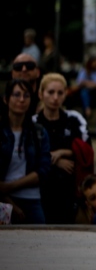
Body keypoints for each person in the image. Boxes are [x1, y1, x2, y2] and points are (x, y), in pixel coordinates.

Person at [33, 73, 91, 224]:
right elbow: (31, 156)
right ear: (41, 94)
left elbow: (86, 149)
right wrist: (56, 161)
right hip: (41, 192)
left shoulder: (74, 119)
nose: (55, 97)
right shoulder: (33, 123)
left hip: (70, 191)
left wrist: (62, 152)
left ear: (66, 94)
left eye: (60, 93)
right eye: (50, 92)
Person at [0, 79, 50, 224]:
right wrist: (8, 200)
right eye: (17, 95)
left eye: (26, 95)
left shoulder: (39, 133)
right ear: (6, 99)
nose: (21, 100)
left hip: (31, 197)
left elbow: (43, 171)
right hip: (3, 199)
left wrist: (9, 186)